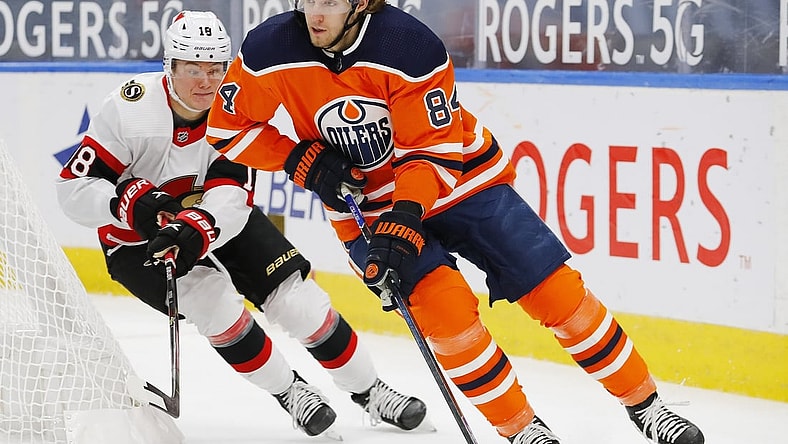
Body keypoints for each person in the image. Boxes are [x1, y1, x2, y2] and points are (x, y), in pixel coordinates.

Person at [204, 1, 707, 444]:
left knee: (557, 292)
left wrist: (406, 217)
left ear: (359, 3)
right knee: (445, 316)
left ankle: (647, 406)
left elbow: (434, 152)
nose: (315, 13)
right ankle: (523, 430)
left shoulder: (408, 45)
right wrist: (298, 159)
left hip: (464, 181)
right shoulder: (270, 48)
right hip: (366, 206)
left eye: (330, 1)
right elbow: (227, 127)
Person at [55, 10, 429, 439]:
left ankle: (371, 391)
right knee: (214, 306)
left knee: (298, 301)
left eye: (215, 69)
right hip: (139, 243)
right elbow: (72, 189)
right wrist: (128, 203)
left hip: (212, 222)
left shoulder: (233, 110)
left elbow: (232, 196)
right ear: (169, 66)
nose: (205, 82)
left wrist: (200, 226)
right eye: (193, 69)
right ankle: (292, 393)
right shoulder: (130, 110)